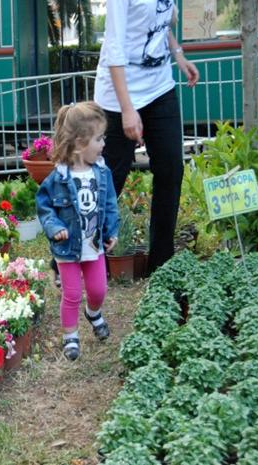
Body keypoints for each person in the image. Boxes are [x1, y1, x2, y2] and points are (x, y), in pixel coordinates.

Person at [94, 0, 199, 273]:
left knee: (171, 170)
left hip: (159, 87)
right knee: (110, 178)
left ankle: (161, 263)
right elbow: (114, 47)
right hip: (119, 96)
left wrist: (178, 55)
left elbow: (161, 23)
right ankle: (83, 255)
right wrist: (128, 110)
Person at [36, 102, 119, 361]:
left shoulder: (102, 173)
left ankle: (93, 313)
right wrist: (55, 227)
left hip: (93, 245)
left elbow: (109, 205)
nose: (103, 143)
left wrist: (111, 232)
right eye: (98, 138)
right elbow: (45, 207)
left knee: (98, 291)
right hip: (67, 248)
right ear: (81, 143)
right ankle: (70, 336)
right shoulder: (58, 178)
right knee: (71, 294)